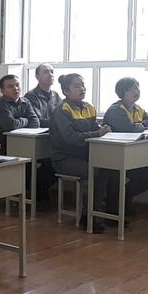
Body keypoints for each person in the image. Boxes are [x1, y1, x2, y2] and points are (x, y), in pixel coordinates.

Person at [50, 74, 112, 233]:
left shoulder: (89, 107)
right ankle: (88, 216)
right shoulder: (62, 110)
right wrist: (97, 133)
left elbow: (94, 128)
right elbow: (70, 138)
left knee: (107, 167)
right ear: (65, 90)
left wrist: (103, 130)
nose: (82, 89)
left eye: (82, 85)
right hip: (64, 158)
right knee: (94, 170)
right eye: (76, 86)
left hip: (85, 156)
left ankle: (100, 212)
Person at [102, 77, 148, 216]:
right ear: (122, 92)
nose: (136, 91)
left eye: (137, 87)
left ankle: (123, 198)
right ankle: (115, 203)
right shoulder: (116, 110)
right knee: (147, 174)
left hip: (135, 155)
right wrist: (144, 126)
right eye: (132, 89)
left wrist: (142, 125)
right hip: (115, 157)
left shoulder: (137, 109)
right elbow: (131, 129)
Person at [0, 75, 39, 150]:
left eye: (17, 85)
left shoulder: (25, 101)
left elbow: (35, 123)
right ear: (2, 91)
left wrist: (18, 122)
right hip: (2, 144)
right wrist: (25, 120)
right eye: (10, 86)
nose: (15, 88)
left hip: (23, 141)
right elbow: (10, 125)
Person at [24, 63, 62, 128]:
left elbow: (63, 115)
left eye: (52, 72)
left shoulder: (56, 95)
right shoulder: (31, 96)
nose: (50, 75)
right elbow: (38, 121)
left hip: (55, 131)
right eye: (46, 72)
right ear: (37, 76)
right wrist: (62, 122)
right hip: (39, 134)